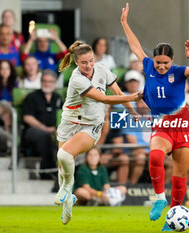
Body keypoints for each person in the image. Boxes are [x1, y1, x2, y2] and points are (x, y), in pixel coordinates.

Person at [121, 3, 189, 231]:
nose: (161, 66)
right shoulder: (148, 66)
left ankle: (172, 217)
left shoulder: (179, 71)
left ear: (172, 61)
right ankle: (160, 198)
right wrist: (124, 23)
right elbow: (136, 46)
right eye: (158, 62)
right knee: (156, 157)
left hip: (183, 126)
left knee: (180, 175)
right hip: (162, 125)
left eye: (165, 63)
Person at [54, 40, 142, 225]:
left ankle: (66, 188)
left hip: (91, 126)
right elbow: (102, 97)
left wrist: (132, 110)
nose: (88, 66)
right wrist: (132, 96)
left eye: (91, 61)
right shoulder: (77, 78)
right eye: (84, 62)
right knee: (63, 165)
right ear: (76, 62)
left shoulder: (102, 69)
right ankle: (69, 202)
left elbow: (115, 90)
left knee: (64, 155)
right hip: (69, 123)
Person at [22, 70, 62, 178]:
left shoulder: (58, 98)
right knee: (44, 137)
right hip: (32, 131)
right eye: (44, 81)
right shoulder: (32, 97)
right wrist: (45, 128)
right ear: (40, 82)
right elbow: (27, 117)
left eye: (50, 81)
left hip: (55, 130)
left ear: (54, 83)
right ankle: (47, 170)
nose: (47, 83)